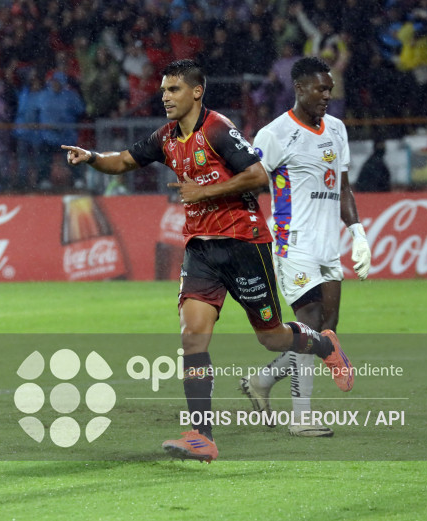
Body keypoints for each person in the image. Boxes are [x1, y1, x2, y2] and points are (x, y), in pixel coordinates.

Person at [62, 59, 354, 462]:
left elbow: (257, 176)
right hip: (201, 249)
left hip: (244, 244)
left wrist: (205, 193)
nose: (165, 96)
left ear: (196, 92)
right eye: (164, 90)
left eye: (174, 89)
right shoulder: (166, 137)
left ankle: (322, 344)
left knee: (270, 337)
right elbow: (126, 160)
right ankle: (202, 435)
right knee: (192, 336)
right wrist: (91, 156)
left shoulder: (217, 128)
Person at [245, 56, 372, 437]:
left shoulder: (336, 129)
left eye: (330, 89)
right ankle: (301, 416)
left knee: (327, 331)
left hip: (327, 246)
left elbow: (343, 188)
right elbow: (248, 182)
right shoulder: (275, 134)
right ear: (299, 88)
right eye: (320, 88)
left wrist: (359, 234)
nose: (327, 95)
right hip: (292, 243)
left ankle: (262, 382)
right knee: (309, 325)